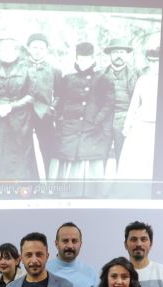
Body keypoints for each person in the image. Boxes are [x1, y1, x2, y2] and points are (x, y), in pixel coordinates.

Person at [49, 43, 115, 196]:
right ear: (76, 60)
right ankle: (67, 191)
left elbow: (109, 104)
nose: (84, 62)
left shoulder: (103, 79)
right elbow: (60, 100)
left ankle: (88, 191)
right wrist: (59, 118)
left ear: (93, 59)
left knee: (87, 154)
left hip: (91, 126)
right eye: (81, 59)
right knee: (68, 154)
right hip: (69, 127)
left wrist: (96, 120)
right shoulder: (68, 79)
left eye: (87, 59)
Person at [0, 37, 37, 181]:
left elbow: (31, 95)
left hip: (19, 118)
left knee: (16, 154)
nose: (4, 52)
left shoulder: (27, 67)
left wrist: (11, 106)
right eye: (1, 49)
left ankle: (17, 187)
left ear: (16, 51)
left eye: (8, 49)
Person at [117, 47, 159, 180]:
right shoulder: (143, 80)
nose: (154, 65)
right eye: (151, 61)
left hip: (158, 126)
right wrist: (127, 125)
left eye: (157, 61)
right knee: (136, 159)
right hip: (141, 125)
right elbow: (134, 105)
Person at [25, 33, 61, 176]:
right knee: (25, 150)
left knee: (48, 149)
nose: (37, 51)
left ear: (46, 50)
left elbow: (59, 94)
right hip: (22, 114)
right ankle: (30, 182)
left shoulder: (54, 69)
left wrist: (51, 108)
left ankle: (50, 181)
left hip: (44, 114)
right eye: (34, 47)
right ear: (28, 48)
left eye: (41, 48)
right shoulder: (21, 67)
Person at [46, 222, 97, 287]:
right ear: (56, 244)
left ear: (80, 244)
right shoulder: (44, 271)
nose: (70, 245)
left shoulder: (90, 272)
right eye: (65, 241)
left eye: (74, 241)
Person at [101, 39, 138, 171]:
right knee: (100, 155)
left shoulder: (135, 74)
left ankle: (119, 180)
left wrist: (132, 120)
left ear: (127, 55)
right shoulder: (101, 74)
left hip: (124, 117)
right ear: (110, 54)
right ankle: (98, 182)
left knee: (122, 156)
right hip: (104, 118)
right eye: (115, 52)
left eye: (122, 52)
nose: (119, 55)